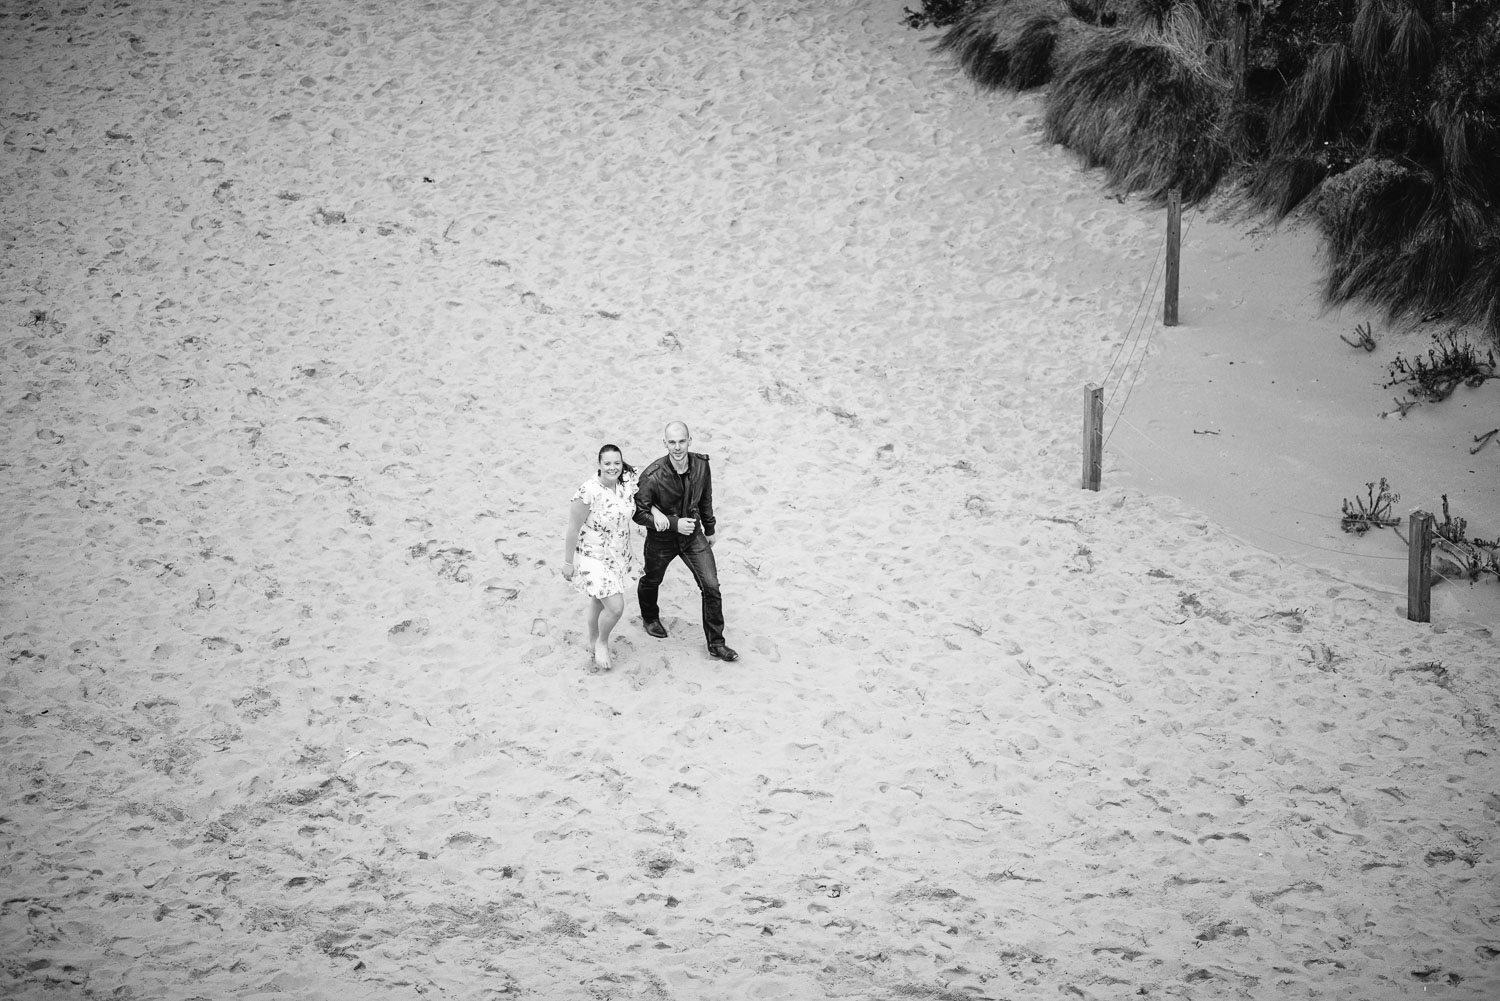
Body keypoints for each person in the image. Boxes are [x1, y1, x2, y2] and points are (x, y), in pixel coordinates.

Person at [633, 421, 738, 662]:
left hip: (693, 535)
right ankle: (649, 617)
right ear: (665, 443)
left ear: (690, 440)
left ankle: (716, 643)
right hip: (662, 540)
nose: (677, 447)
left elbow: (706, 497)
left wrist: (709, 528)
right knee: (652, 580)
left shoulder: (701, 464)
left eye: (682, 441)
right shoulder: (652, 475)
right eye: (672, 442)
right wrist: (672, 523)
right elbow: (638, 512)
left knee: (711, 586)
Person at [561, 444, 639, 672]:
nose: (613, 467)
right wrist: (567, 563)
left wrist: (654, 513)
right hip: (593, 555)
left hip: (619, 553)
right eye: (607, 463)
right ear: (599, 465)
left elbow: (644, 501)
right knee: (615, 607)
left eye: (617, 463)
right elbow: (572, 529)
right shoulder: (588, 492)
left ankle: (592, 638)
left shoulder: (627, 482)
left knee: (598, 599)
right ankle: (602, 642)